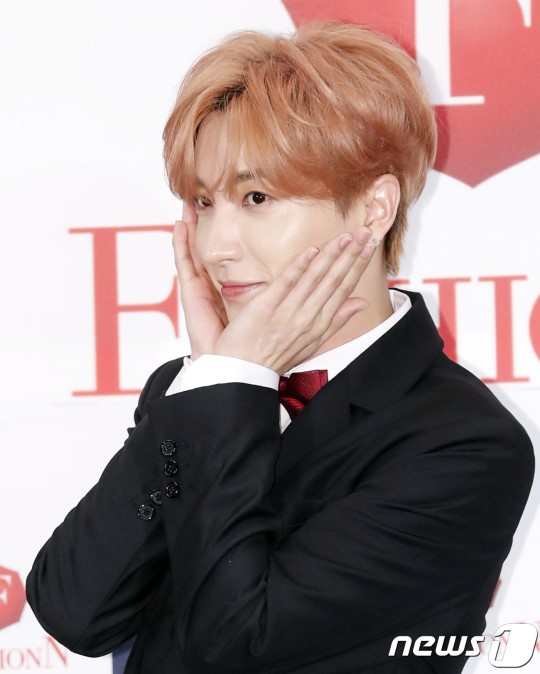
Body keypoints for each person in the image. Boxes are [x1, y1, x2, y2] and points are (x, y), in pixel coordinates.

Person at [26, 20, 534, 673]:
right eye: (203, 203)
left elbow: (237, 644)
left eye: (256, 197)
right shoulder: (194, 390)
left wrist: (232, 382)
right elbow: (74, 610)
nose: (216, 247)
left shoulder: (464, 443)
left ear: (374, 208)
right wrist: (219, 380)